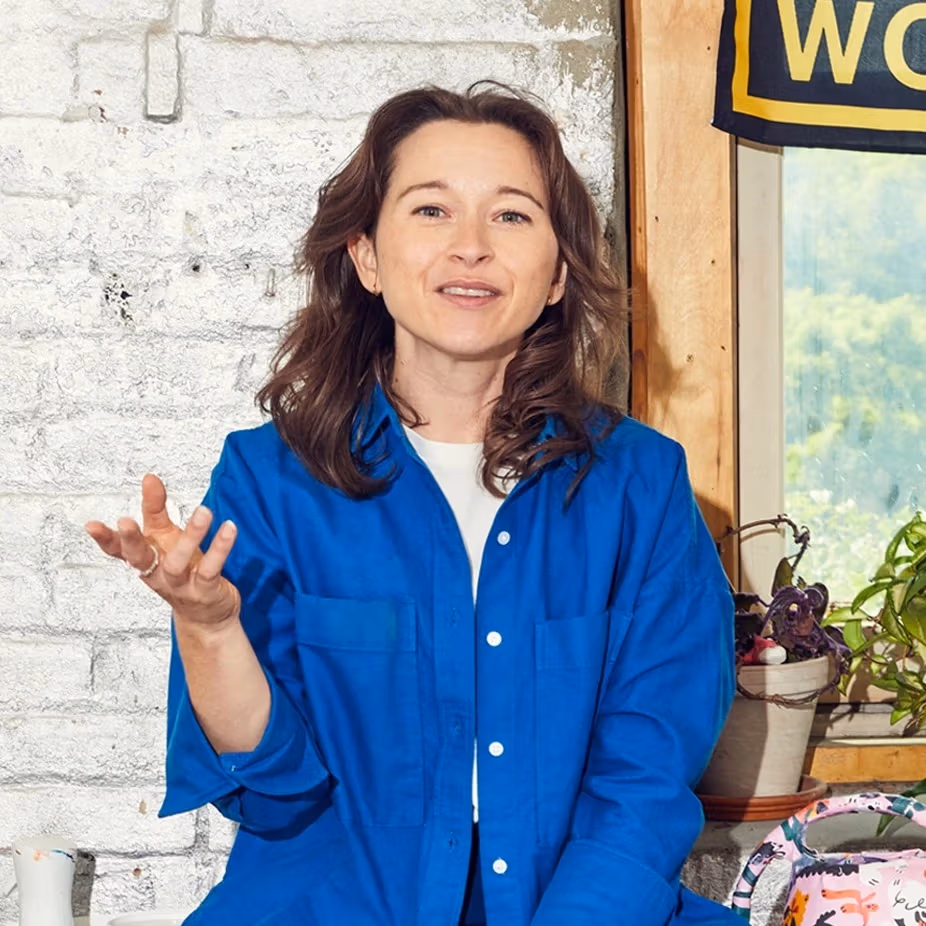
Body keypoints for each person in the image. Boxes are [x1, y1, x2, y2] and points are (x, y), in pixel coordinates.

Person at [86, 82, 740, 925]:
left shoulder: (640, 485)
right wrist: (209, 627)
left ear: (556, 275)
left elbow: (642, 784)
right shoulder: (269, 481)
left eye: (510, 217)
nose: (470, 248)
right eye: (431, 211)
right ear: (365, 257)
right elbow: (275, 798)